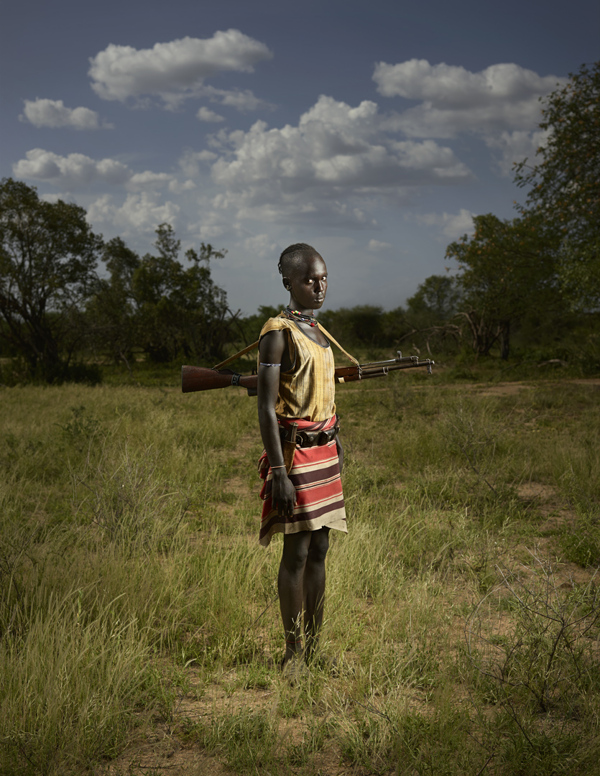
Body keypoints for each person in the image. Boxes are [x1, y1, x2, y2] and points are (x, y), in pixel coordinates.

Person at [257, 243, 347, 675]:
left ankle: (314, 647)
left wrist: (336, 438)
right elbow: (265, 407)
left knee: (321, 548)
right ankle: (293, 654)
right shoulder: (278, 332)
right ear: (288, 282)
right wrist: (278, 471)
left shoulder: (321, 332)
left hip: (325, 451)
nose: (319, 286)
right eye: (310, 279)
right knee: (296, 552)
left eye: (324, 277)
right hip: (294, 457)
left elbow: (325, 391)